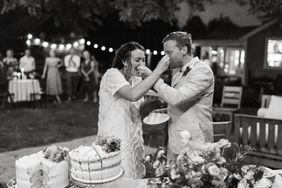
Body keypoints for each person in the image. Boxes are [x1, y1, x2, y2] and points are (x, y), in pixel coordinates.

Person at [98, 41, 168, 178]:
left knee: (136, 174)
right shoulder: (112, 75)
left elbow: (157, 95)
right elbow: (132, 95)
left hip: (134, 135)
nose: (142, 64)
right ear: (124, 61)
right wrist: (158, 70)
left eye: (143, 60)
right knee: (120, 175)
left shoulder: (136, 79)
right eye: (137, 60)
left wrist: (153, 102)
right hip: (116, 136)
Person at [145, 31, 215, 161]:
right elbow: (174, 98)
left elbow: (177, 98)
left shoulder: (202, 71)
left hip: (195, 142)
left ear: (183, 49)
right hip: (175, 139)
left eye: (169, 53)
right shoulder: (177, 71)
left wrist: (152, 75)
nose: (165, 58)